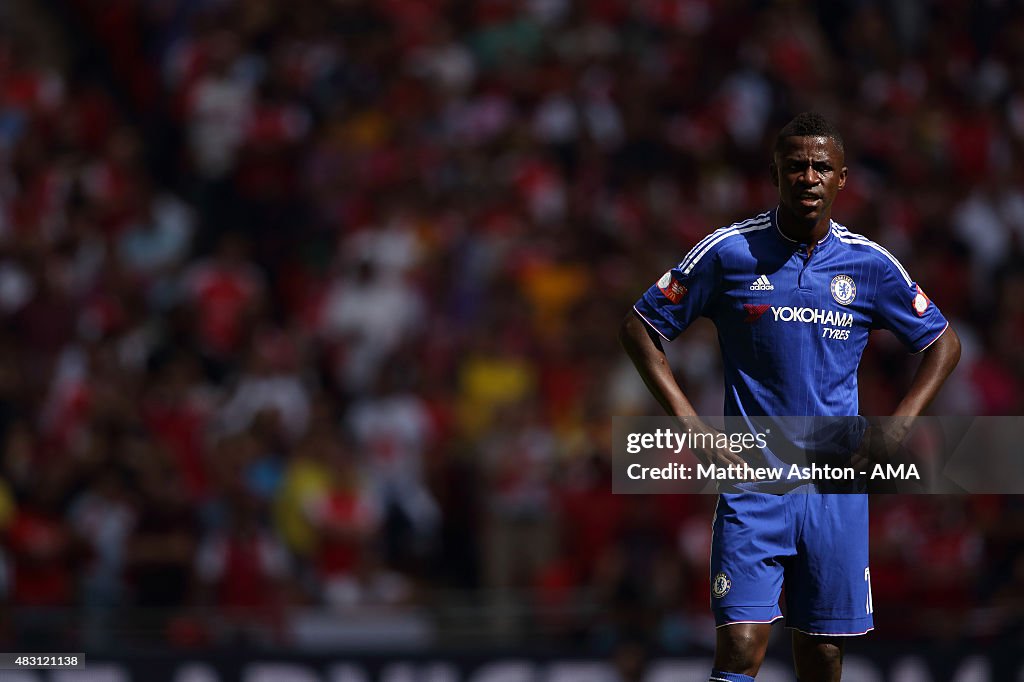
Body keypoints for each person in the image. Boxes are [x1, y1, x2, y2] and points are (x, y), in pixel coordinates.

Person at [619, 112, 961, 681]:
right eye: (796, 165)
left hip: (835, 484)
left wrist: (896, 428)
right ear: (774, 172)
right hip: (754, 480)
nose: (808, 177)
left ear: (841, 179)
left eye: (821, 167)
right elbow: (639, 328)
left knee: (824, 655)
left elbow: (943, 343)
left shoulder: (869, 265)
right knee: (741, 646)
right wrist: (691, 427)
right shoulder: (729, 253)